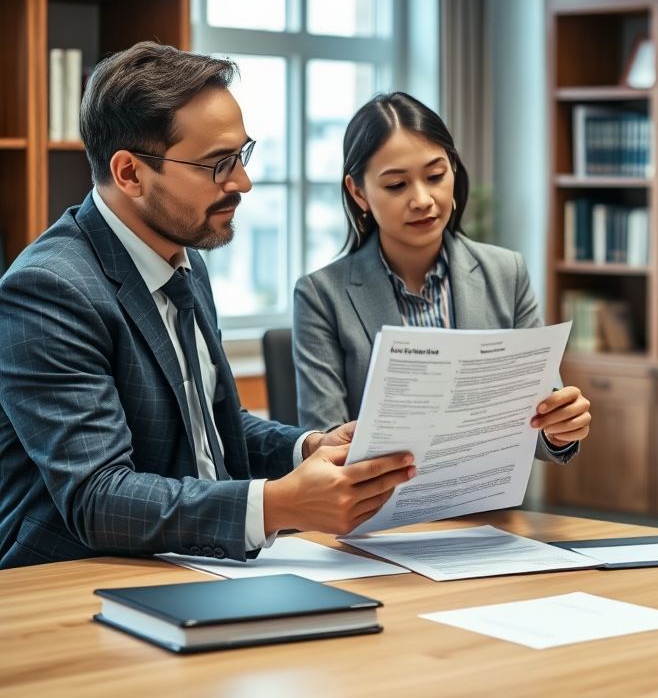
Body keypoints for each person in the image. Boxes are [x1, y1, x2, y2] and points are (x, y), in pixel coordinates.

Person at [0, 42, 416, 569]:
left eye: (241, 155)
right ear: (129, 173)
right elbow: (97, 497)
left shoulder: (184, 257)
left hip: (196, 564)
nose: (242, 182)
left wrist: (308, 448)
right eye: (217, 164)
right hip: (72, 584)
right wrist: (276, 504)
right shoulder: (50, 288)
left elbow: (211, 426)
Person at [293, 92, 590, 464]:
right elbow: (326, 447)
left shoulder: (505, 273)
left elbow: (541, 423)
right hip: (377, 514)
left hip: (486, 508)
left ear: (453, 168)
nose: (422, 199)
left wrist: (559, 427)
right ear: (359, 193)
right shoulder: (321, 296)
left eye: (435, 176)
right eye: (396, 185)